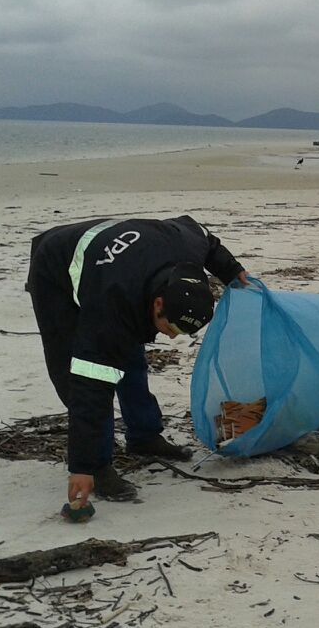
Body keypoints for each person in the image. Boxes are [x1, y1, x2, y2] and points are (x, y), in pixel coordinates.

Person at [26, 215, 248, 507]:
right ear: (158, 303)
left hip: (122, 256)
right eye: (172, 328)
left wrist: (232, 270)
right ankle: (99, 465)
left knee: (131, 357)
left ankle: (144, 437)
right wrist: (81, 465)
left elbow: (205, 236)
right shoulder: (113, 304)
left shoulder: (187, 246)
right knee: (88, 370)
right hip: (55, 272)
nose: (171, 337)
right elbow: (90, 386)